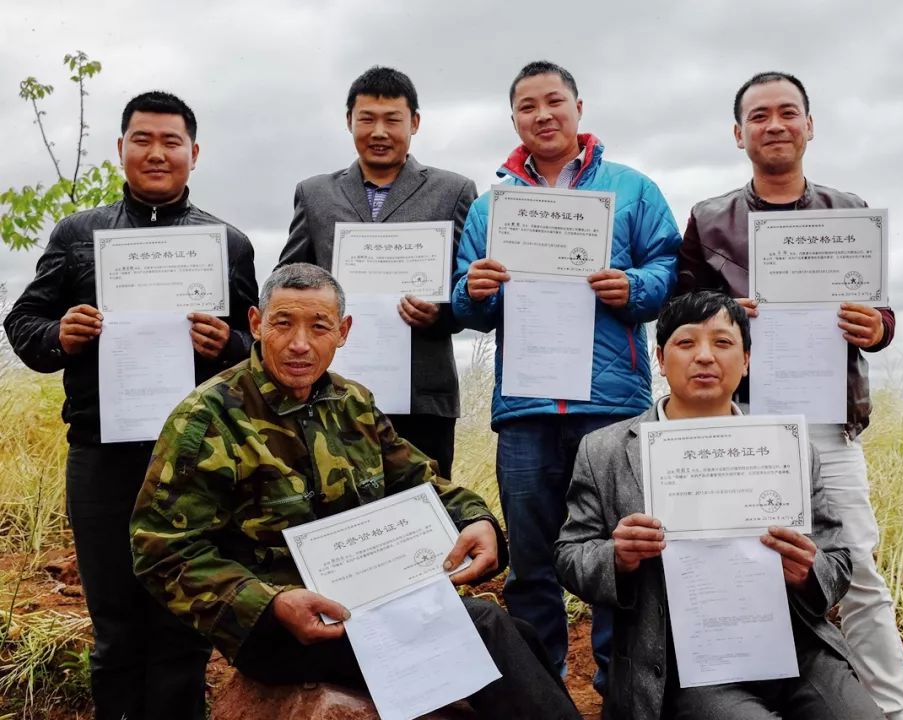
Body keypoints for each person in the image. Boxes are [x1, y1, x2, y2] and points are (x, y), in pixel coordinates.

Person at [129, 263, 583, 720]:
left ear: (343, 331)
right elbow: (161, 550)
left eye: (319, 326)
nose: (300, 343)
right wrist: (268, 603)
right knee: (483, 630)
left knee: (518, 633)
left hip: (371, 605)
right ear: (255, 324)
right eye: (283, 323)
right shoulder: (209, 417)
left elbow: (418, 479)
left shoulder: (354, 403)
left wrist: (475, 519)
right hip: (282, 628)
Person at [3, 91, 258, 720]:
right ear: (121, 149)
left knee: (182, 626)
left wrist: (228, 343)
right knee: (115, 623)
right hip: (102, 455)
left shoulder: (227, 243)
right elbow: (23, 322)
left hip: (199, 461)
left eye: (171, 141)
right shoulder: (79, 233)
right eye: (142, 139)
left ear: (193, 154)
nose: (156, 152)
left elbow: (258, 354)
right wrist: (59, 334)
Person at [675, 71, 903, 720]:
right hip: (740, 425)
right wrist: (721, 314)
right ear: (738, 133)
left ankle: (894, 713)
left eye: (787, 113)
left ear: (810, 125)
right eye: (759, 116)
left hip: (828, 427)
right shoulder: (706, 220)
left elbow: (881, 314)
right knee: (744, 572)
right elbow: (677, 321)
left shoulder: (848, 212)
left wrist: (877, 326)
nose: (774, 124)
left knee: (858, 573)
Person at [451, 60, 681, 689]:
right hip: (525, 408)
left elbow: (668, 270)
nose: (543, 115)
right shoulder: (491, 205)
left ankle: (620, 688)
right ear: (515, 119)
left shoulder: (632, 190)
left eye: (554, 101)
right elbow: (467, 302)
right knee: (531, 564)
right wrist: (474, 290)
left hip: (611, 407)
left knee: (619, 557)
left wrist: (631, 286)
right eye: (528, 106)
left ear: (579, 107)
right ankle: (542, 691)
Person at [555, 291, 883, 719]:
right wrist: (618, 557)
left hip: (795, 648)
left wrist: (807, 571)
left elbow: (838, 562)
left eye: (723, 343)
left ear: (747, 359)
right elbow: (570, 555)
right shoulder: (606, 450)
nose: (705, 357)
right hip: (684, 663)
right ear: (660, 357)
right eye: (686, 343)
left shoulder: (789, 446)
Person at [278, 65, 477, 480]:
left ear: (415, 123)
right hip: (331, 389)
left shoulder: (454, 191)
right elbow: (288, 278)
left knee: (429, 512)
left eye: (393, 120)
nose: (379, 131)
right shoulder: (315, 194)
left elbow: (471, 288)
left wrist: (440, 313)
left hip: (422, 396)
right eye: (367, 119)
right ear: (349, 121)